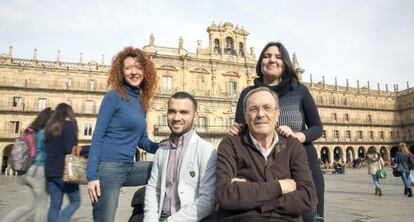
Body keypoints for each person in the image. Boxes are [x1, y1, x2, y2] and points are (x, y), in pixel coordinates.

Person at [230, 42, 324, 221]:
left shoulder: (299, 90)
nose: (272, 60)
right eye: (267, 56)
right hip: (263, 169)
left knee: (310, 216)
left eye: (278, 57)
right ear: (260, 63)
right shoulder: (248, 94)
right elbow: (242, 129)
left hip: (304, 164)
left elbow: (317, 128)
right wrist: (236, 129)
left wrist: (297, 136)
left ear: (285, 63)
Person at [216, 87, 317, 222]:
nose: (260, 114)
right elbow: (225, 195)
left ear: (277, 114)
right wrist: (280, 186)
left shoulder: (293, 145)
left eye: (267, 108)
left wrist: (248, 197)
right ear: (245, 116)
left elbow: (308, 198)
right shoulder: (230, 144)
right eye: (253, 109)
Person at [87, 46, 159, 222]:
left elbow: (143, 141)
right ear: (121, 72)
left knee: (166, 167)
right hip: (109, 169)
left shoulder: (141, 101)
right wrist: (92, 176)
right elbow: (98, 136)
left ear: (145, 71)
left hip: (130, 167)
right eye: (128, 68)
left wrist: (164, 146)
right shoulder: (113, 97)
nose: (134, 72)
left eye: (138, 67)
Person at [144, 92, 216, 222]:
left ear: (195, 116)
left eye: (184, 112)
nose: (176, 118)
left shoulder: (207, 151)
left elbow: (208, 200)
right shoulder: (161, 151)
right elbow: (153, 189)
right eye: (172, 111)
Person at [2, 107, 53, 222]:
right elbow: (48, 152)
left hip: (22, 172)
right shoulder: (44, 133)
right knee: (42, 204)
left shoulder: (29, 131)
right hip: (37, 171)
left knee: (28, 205)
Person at [44, 103, 80, 221]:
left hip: (50, 172)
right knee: (75, 202)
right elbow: (70, 149)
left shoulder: (49, 128)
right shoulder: (69, 126)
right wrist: (85, 149)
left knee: (55, 205)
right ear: (69, 113)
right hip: (64, 172)